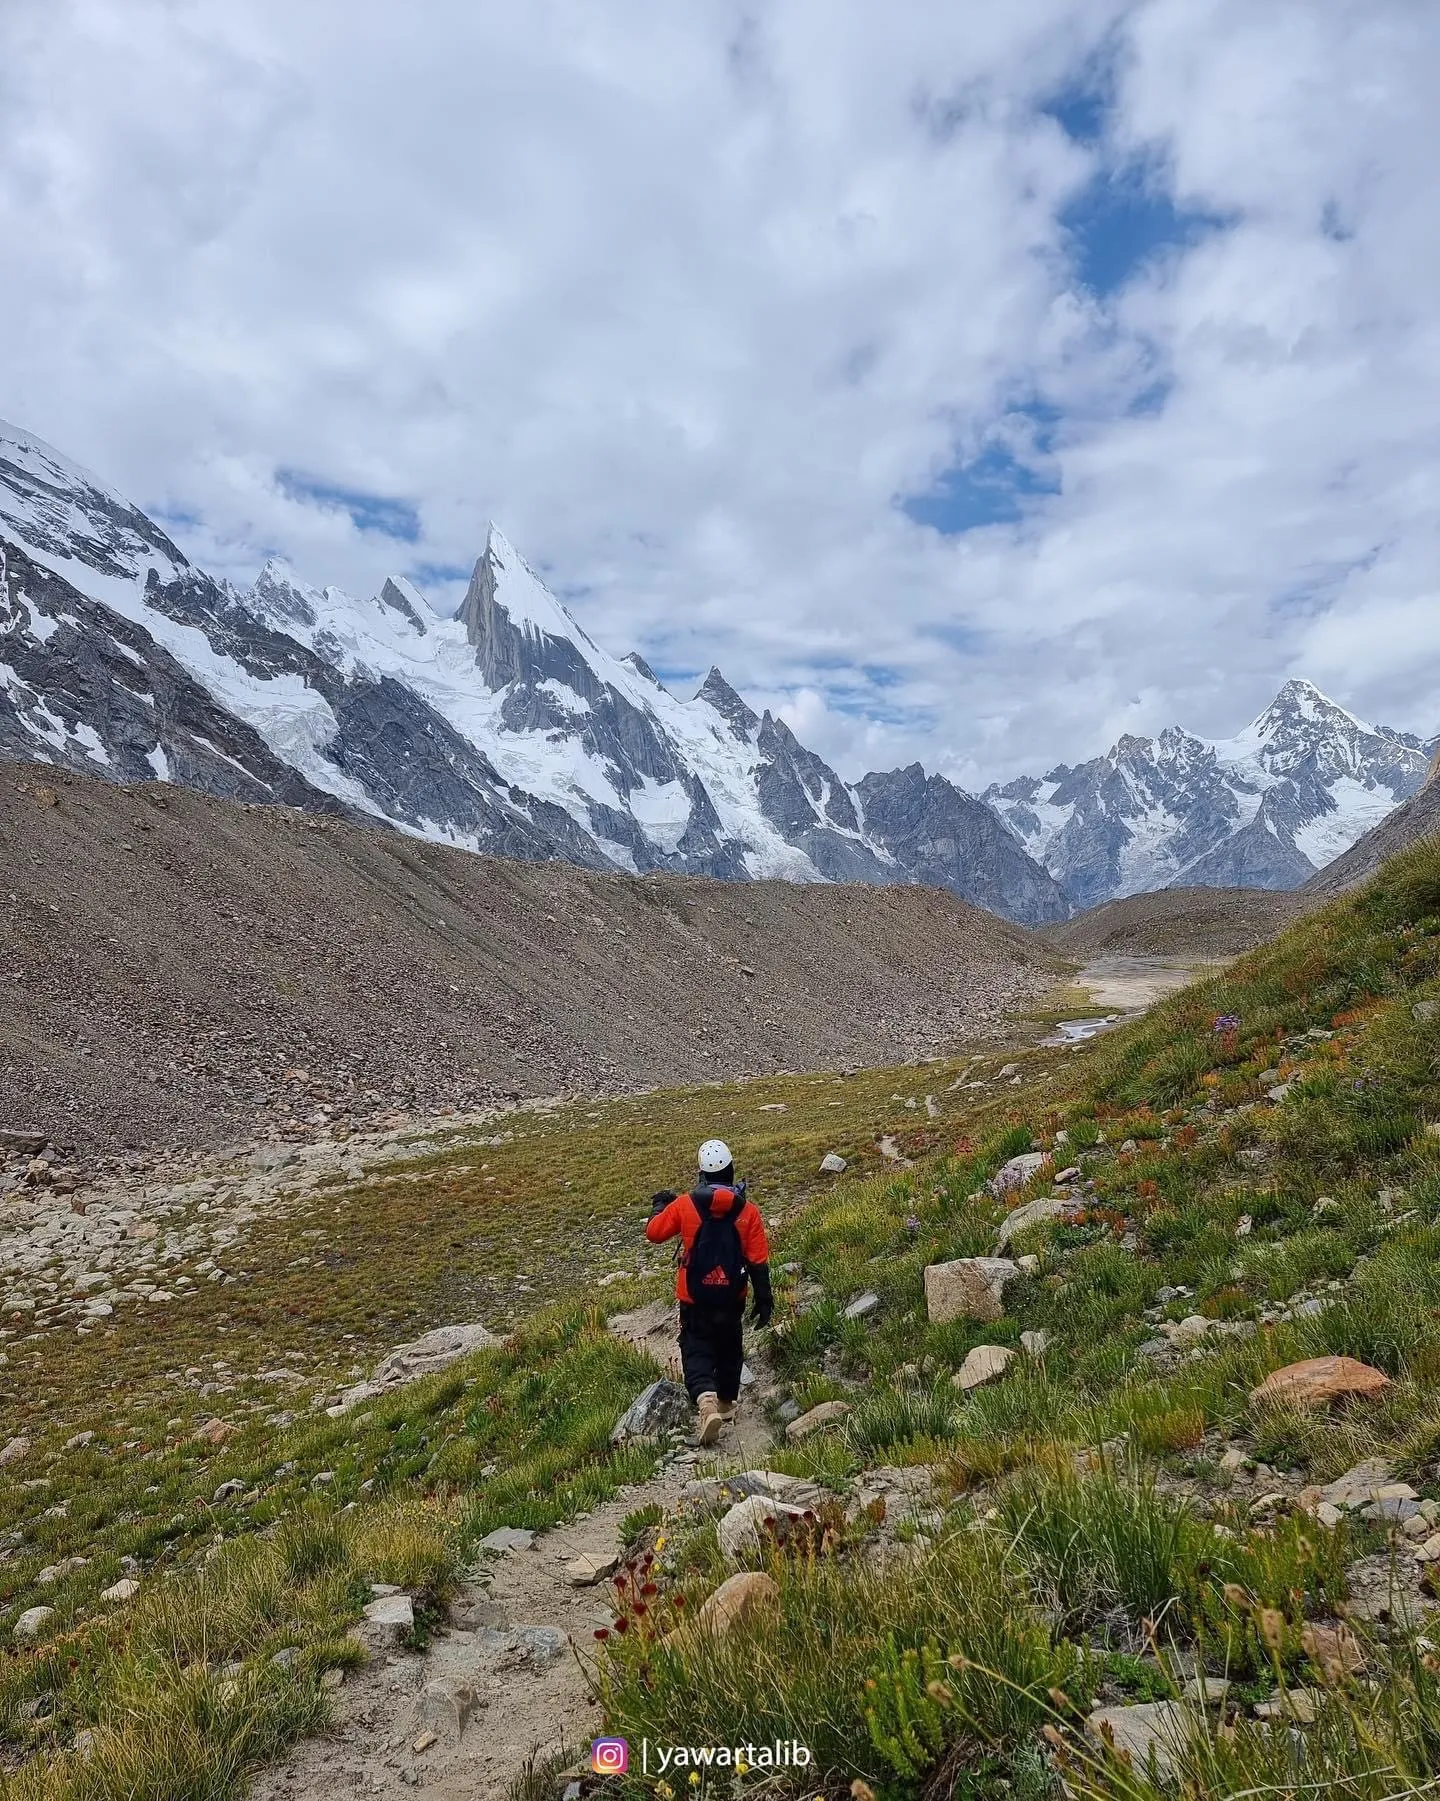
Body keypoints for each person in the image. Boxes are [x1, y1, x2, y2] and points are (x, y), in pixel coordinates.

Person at [646, 1138, 772, 1445]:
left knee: (696, 1346)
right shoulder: (748, 1212)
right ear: (730, 1171)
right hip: (733, 1296)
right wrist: (764, 1298)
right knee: (730, 1346)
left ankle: (706, 1402)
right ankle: (727, 1404)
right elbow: (757, 1260)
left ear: (701, 1174)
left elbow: (654, 1233)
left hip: (694, 1296)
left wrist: (660, 1205)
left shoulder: (685, 1205)